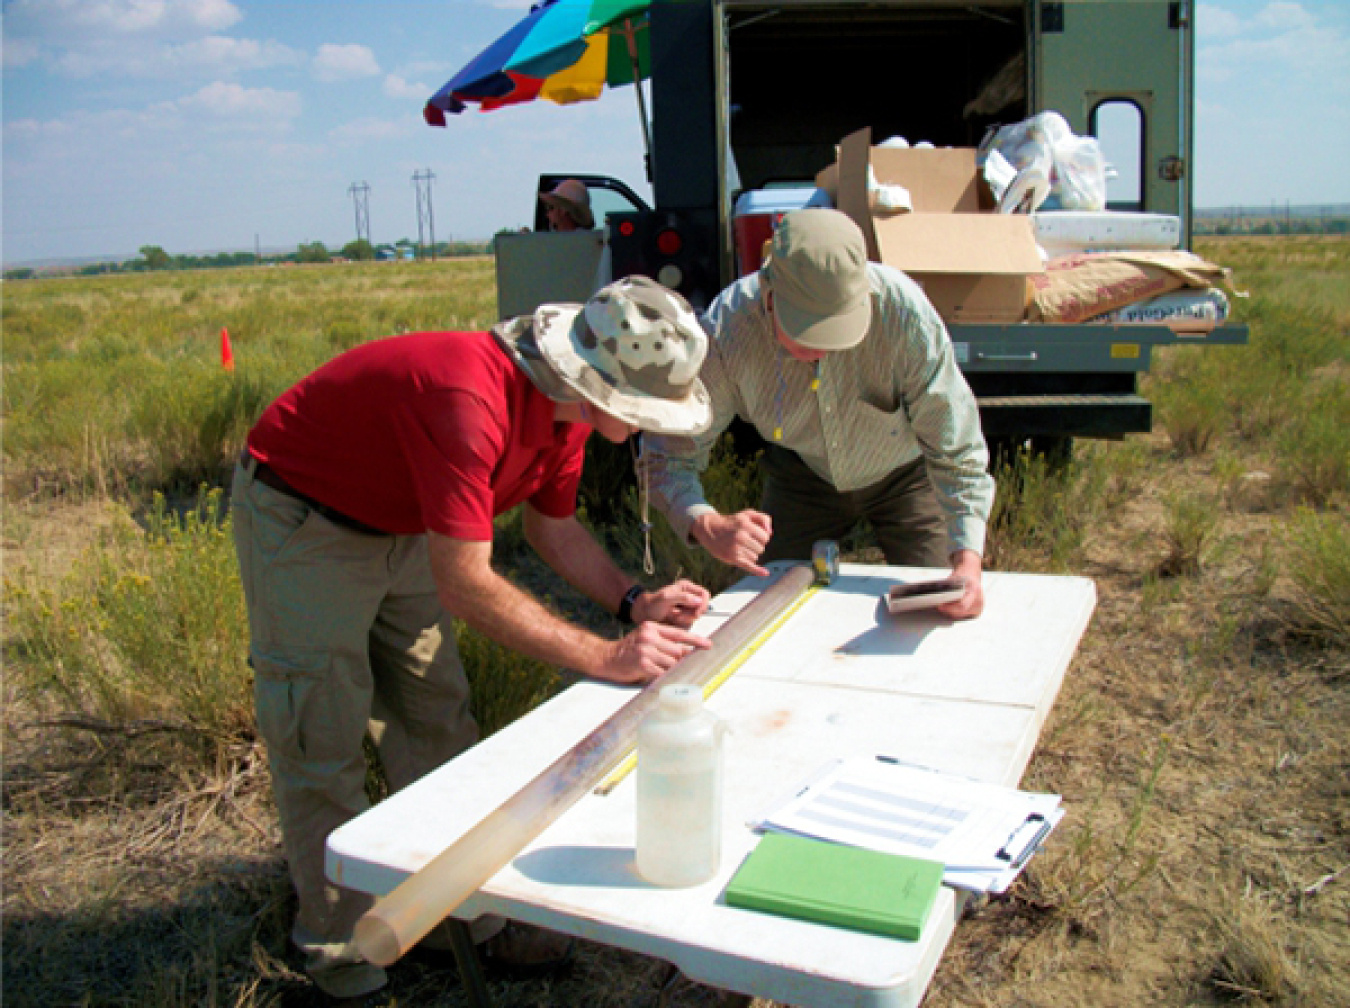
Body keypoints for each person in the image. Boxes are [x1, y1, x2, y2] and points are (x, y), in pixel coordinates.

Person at [231, 276, 715, 1004]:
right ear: (599, 386)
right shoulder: (469, 401)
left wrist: (633, 602)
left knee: (436, 720)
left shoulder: (568, 411)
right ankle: (338, 948)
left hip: (405, 521)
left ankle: (467, 915)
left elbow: (552, 529)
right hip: (307, 518)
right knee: (320, 731)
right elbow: (464, 584)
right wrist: (604, 657)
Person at [644, 208, 996, 619]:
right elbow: (667, 455)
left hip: (907, 478)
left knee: (943, 604)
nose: (822, 349)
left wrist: (968, 562)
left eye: (837, 333)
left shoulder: (904, 314)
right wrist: (706, 523)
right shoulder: (728, 331)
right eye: (806, 332)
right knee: (769, 610)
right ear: (769, 296)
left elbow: (956, 448)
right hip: (802, 478)